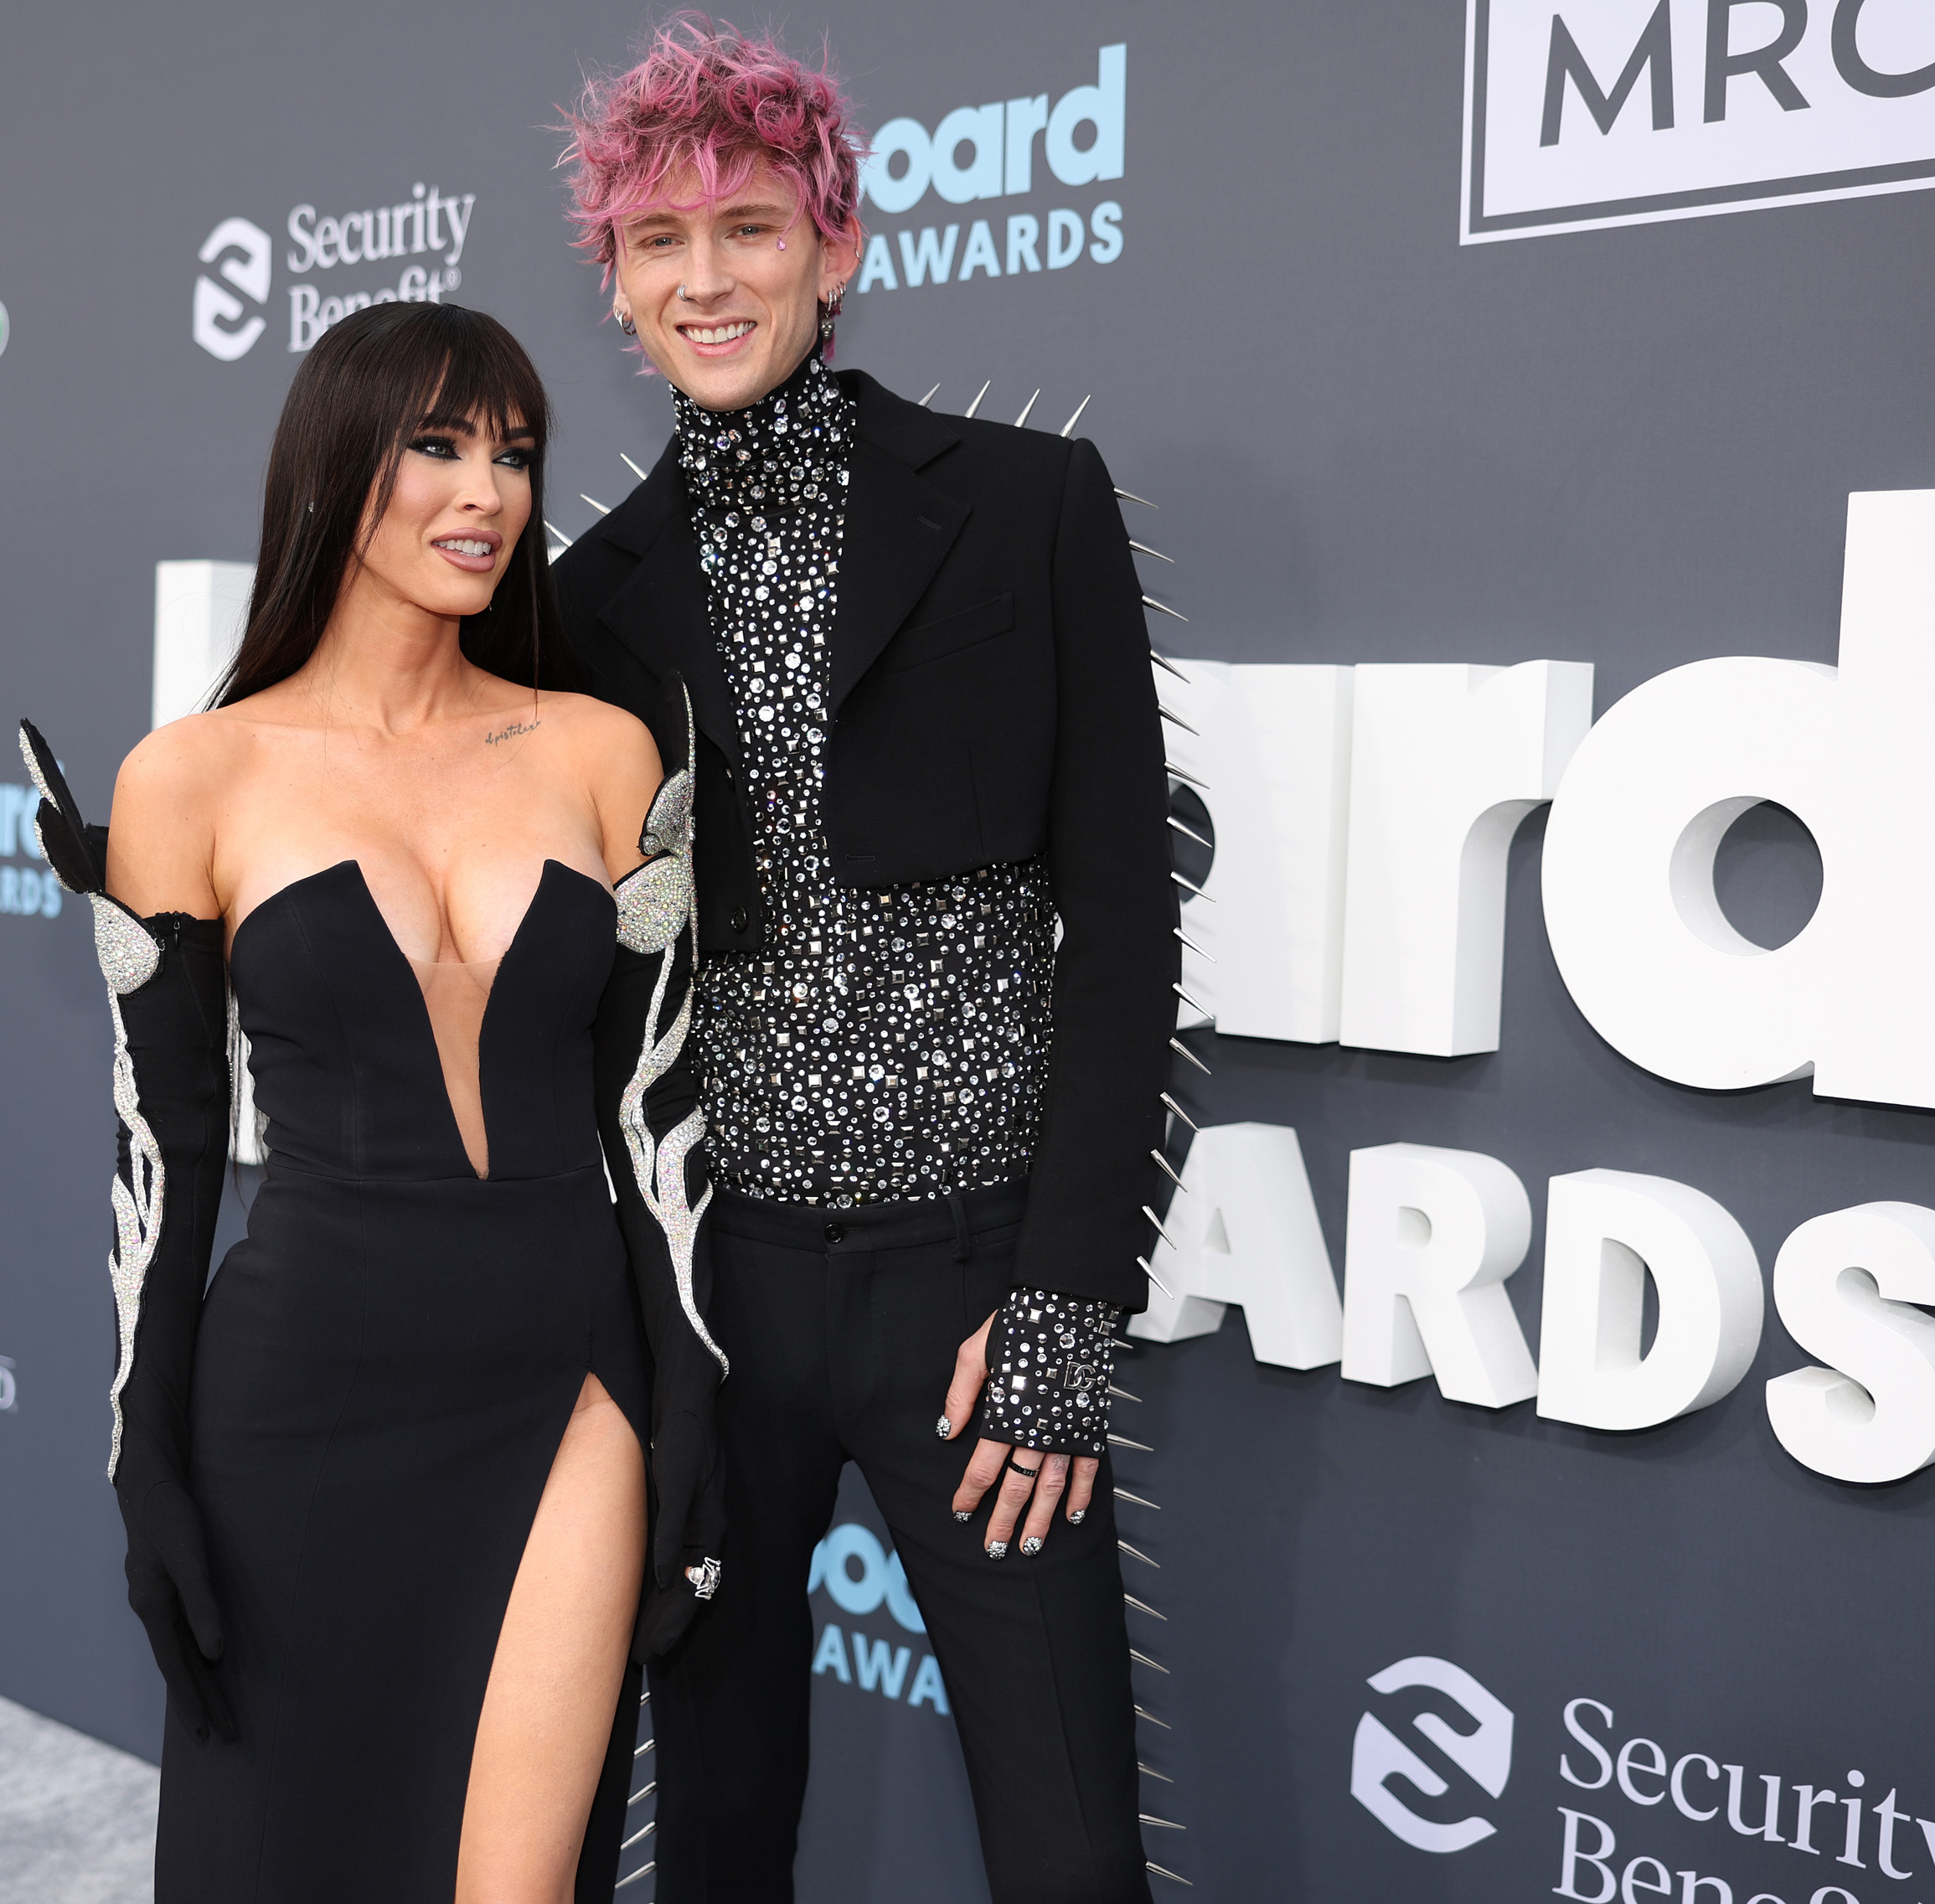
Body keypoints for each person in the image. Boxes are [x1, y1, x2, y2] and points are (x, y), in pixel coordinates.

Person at [554, 18, 1180, 1902]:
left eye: (748, 228)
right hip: (718, 1298)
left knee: (1072, 1850)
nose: (706, 278)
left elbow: (1129, 923)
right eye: (659, 247)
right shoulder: (584, 606)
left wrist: (1067, 1297)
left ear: (835, 248)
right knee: (719, 1836)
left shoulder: (1027, 504)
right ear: (618, 288)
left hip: (976, 1290)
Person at [20, 301, 727, 1903]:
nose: (485, 492)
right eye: (438, 445)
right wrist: (146, 1457)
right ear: (339, 464)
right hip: (300, 1397)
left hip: (569, 1383)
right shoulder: (193, 776)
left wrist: (692, 1400)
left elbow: (651, 1116)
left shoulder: (606, 753)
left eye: (516, 454)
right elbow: (166, 1145)